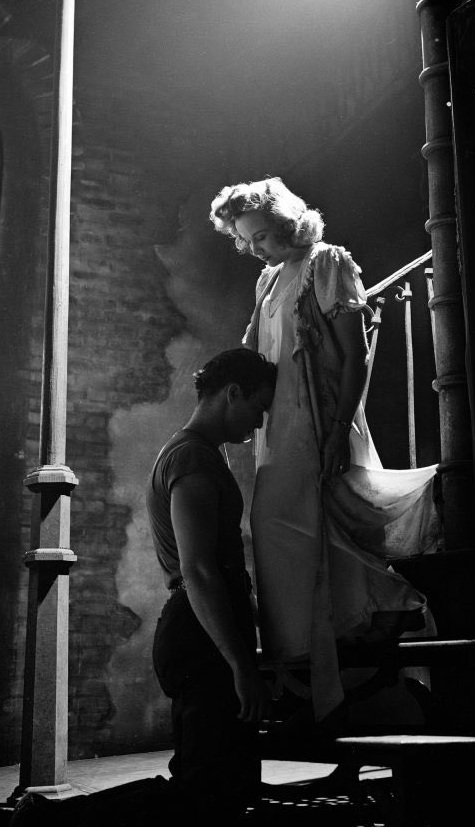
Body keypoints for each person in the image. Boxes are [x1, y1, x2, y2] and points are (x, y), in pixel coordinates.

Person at [210, 177, 441, 727]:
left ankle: (358, 692)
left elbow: (355, 356)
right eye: (245, 241)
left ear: (286, 222)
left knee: (328, 550)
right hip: (276, 435)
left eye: (260, 236)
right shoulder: (268, 280)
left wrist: (339, 428)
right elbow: (254, 354)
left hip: (320, 425)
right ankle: (311, 696)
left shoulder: (327, 262)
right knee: (276, 543)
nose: (254, 249)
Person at [148, 348, 276, 818]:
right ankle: (49, 819)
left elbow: (220, 567)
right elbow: (198, 570)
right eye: (258, 408)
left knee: (226, 791)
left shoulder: (204, 455)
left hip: (204, 633)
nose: (260, 422)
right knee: (203, 797)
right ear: (232, 393)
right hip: (200, 639)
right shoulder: (193, 460)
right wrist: (241, 665)